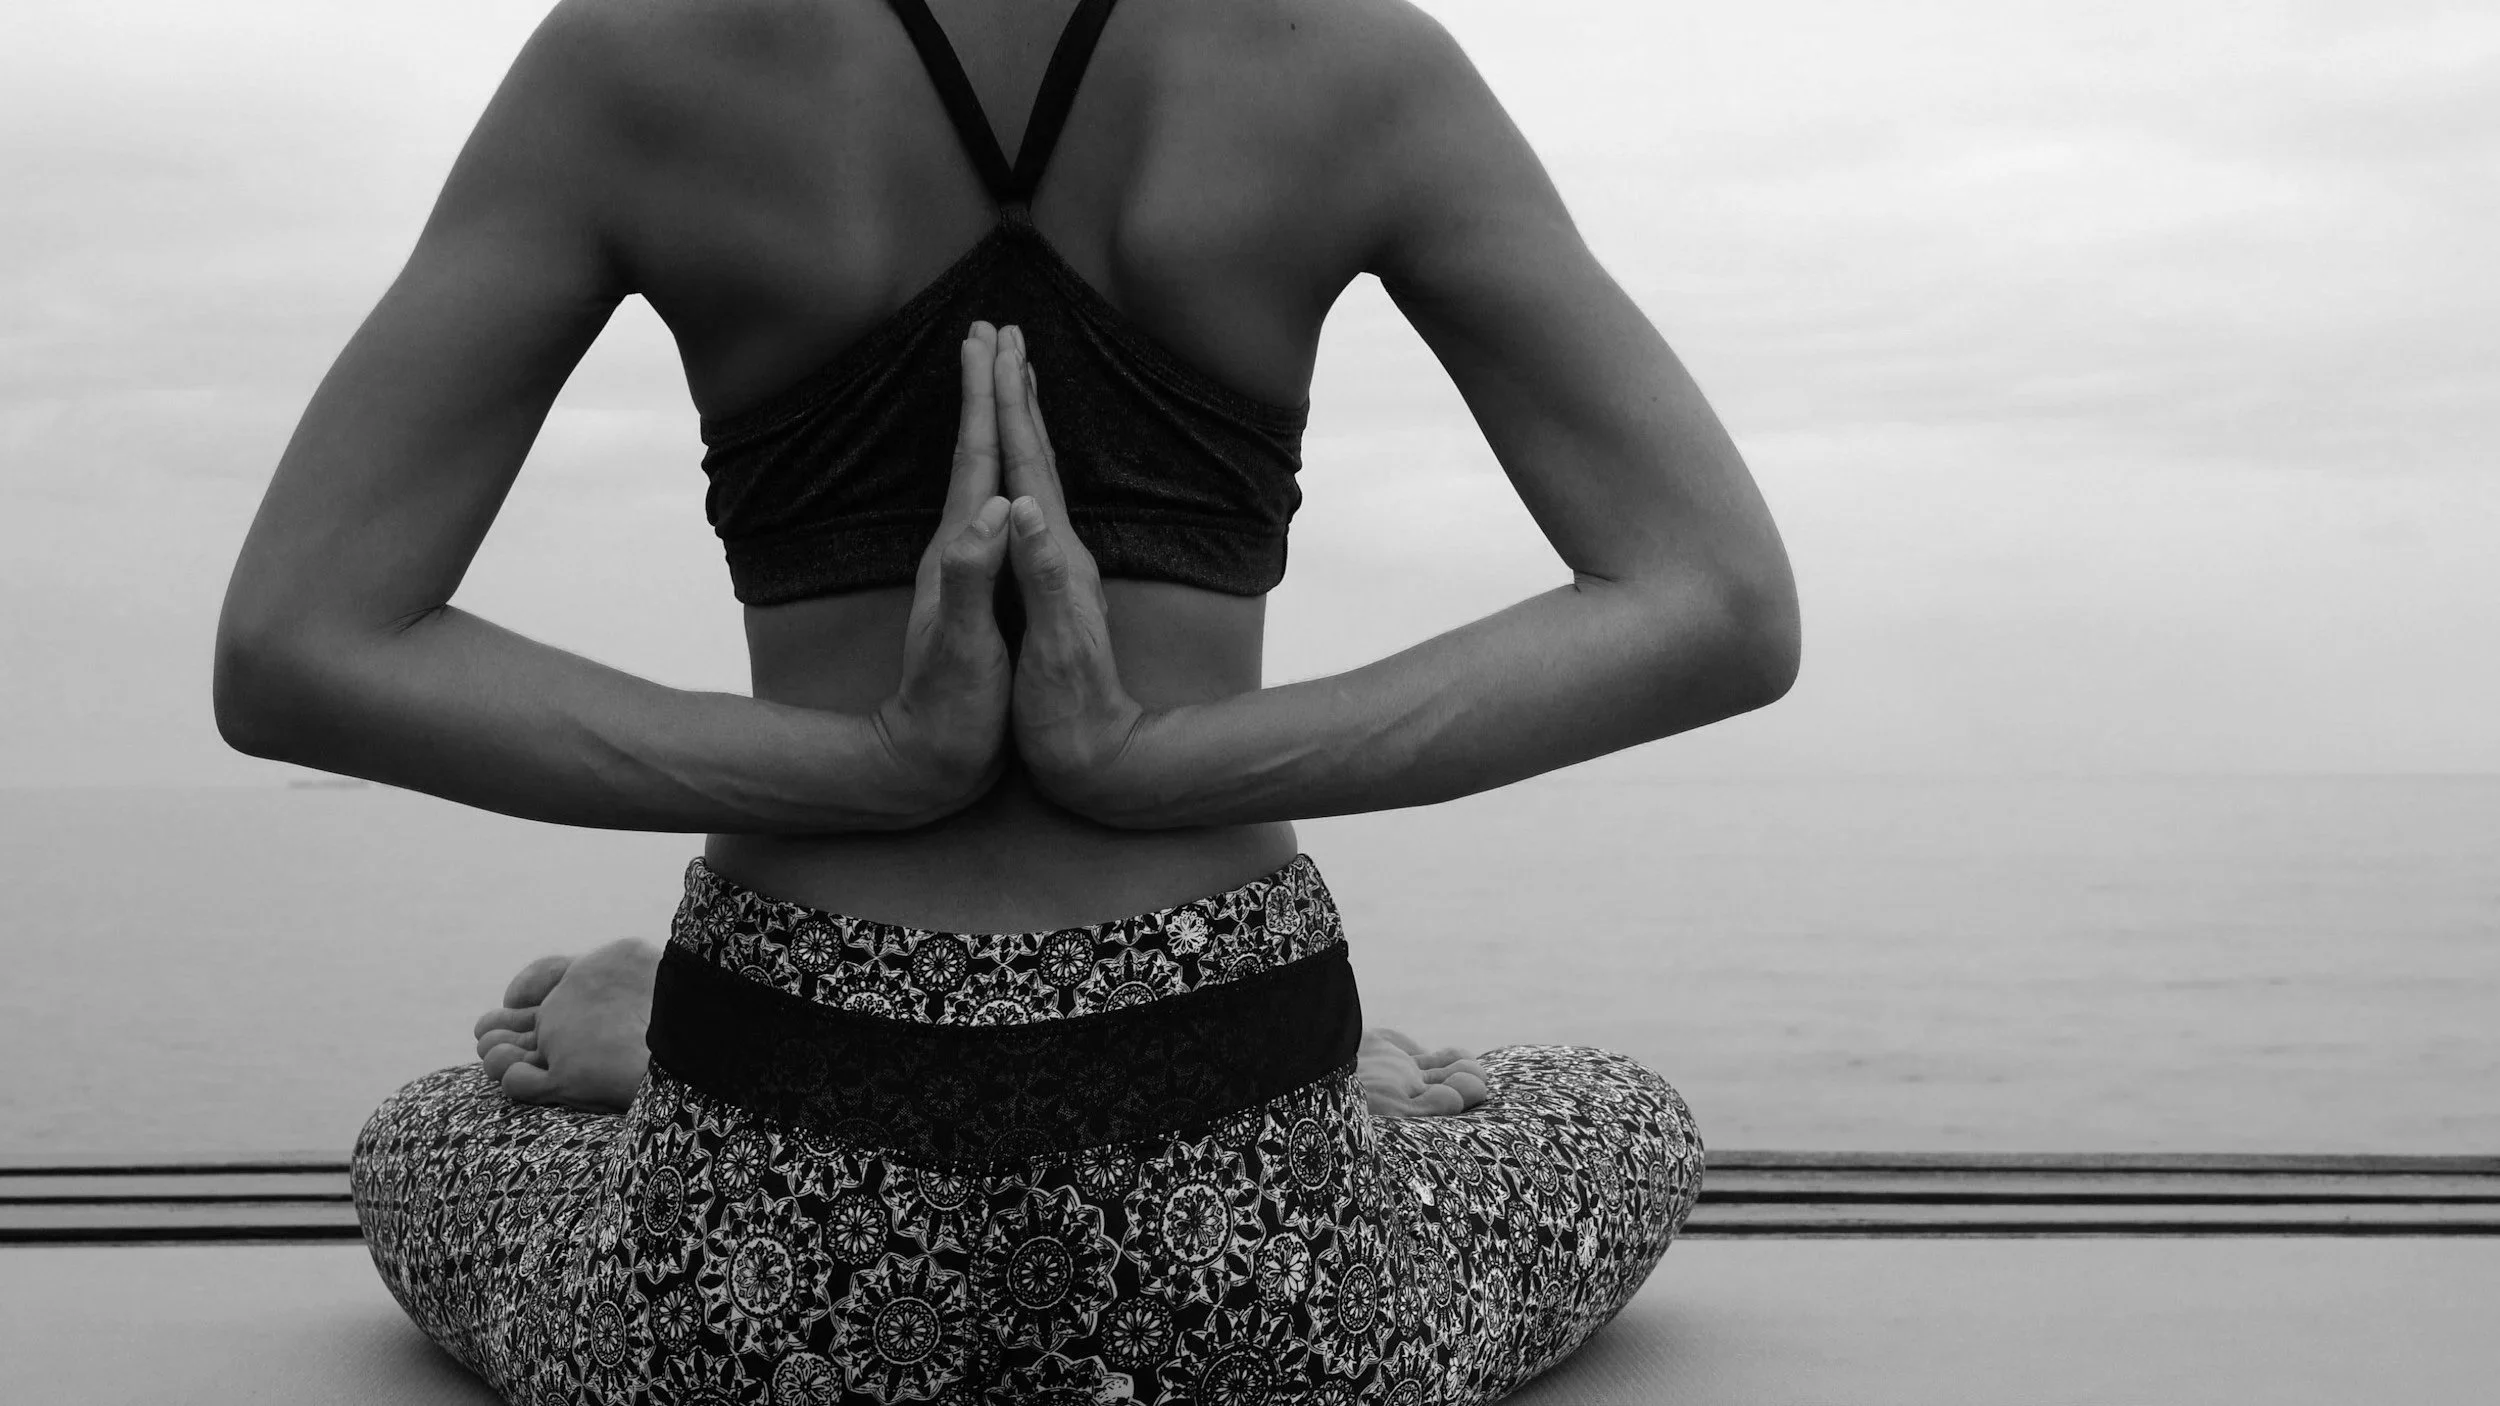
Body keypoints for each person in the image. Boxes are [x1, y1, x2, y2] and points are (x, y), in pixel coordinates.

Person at [214, 0, 1798, 1400]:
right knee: (1615, 1112)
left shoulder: (633, 57)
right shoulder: (1352, 59)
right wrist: (1152, 762)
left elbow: (300, 646)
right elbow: (1715, 605)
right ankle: (1336, 1091)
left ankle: (659, 1045)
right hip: (1251, 1263)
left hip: (761, 1274)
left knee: (425, 1135)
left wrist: (871, 767)